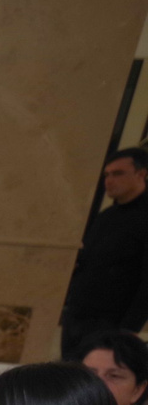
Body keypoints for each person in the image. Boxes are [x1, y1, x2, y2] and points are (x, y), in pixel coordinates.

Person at [58, 145, 148, 360]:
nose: (109, 180)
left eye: (118, 173)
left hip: (111, 323)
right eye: (106, 174)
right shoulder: (106, 216)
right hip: (78, 316)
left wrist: (127, 330)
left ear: (141, 174)